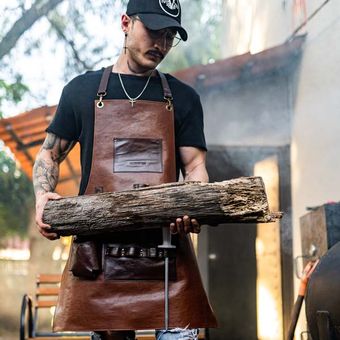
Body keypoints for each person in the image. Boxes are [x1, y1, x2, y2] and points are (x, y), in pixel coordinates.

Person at [33, 0, 217, 339]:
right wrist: (43, 196)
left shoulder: (184, 98)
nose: (161, 45)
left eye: (169, 36)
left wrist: (193, 204)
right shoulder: (81, 91)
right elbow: (48, 156)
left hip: (167, 258)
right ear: (125, 23)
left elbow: (195, 167)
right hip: (100, 260)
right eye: (153, 31)